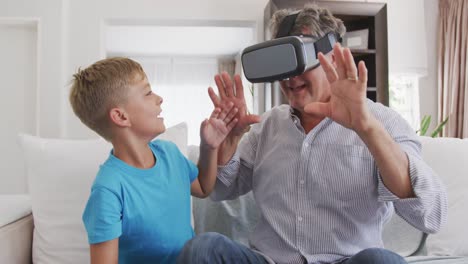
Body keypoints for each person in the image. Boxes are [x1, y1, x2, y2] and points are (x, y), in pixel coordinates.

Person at [177, 4, 447, 264]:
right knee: (205, 249)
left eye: (301, 59)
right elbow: (221, 189)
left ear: (334, 55)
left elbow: (430, 214)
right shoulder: (268, 126)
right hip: (271, 260)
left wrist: (367, 128)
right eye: (282, 63)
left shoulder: (382, 122)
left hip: (348, 260)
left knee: (383, 261)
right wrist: (230, 140)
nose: (290, 77)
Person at [69, 57, 238, 264]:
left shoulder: (170, 154)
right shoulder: (108, 190)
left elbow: (203, 187)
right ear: (121, 117)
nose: (159, 98)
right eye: (148, 93)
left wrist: (209, 146)